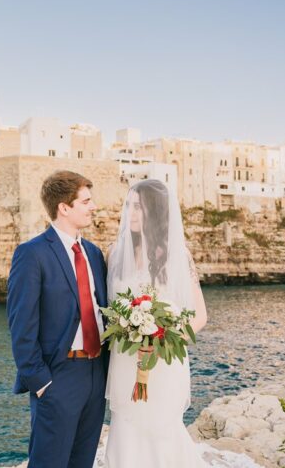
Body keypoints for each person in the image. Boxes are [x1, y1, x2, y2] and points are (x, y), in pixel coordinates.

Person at [104, 179, 210, 467]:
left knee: (161, 432)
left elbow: (199, 315)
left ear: (155, 210)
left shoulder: (177, 256)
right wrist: (129, 328)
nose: (131, 214)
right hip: (126, 361)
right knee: (126, 427)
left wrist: (163, 339)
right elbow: (111, 310)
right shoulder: (115, 253)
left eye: (138, 207)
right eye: (128, 206)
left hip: (162, 363)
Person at [7, 170, 109, 468]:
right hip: (58, 376)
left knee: (83, 462)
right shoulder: (31, 253)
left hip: (96, 373)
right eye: (86, 201)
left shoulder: (93, 252)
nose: (93, 207)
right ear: (64, 207)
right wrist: (41, 383)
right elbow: (21, 326)